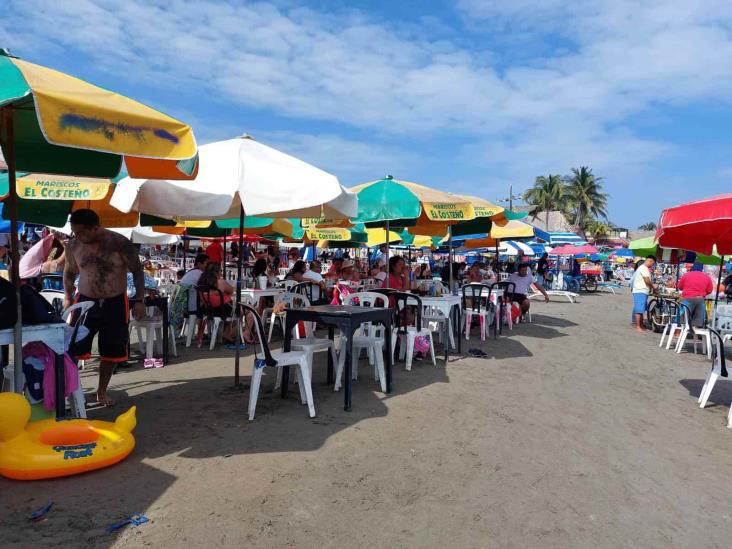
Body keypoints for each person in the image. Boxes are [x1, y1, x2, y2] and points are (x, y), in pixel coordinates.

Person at [64, 209, 146, 407]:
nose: (77, 236)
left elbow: (137, 271)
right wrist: (67, 296)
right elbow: (69, 272)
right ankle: (73, 392)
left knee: (111, 351)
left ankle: (101, 391)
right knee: (73, 348)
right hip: (85, 301)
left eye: (81, 232)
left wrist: (139, 300)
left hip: (114, 301)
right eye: (74, 232)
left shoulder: (118, 243)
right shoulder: (73, 245)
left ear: (95, 227)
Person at [198, 262, 240, 345]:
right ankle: (228, 332)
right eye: (220, 271)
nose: (221, 272)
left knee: (235, 309)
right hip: (223, 310)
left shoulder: (201, 283)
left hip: (208, 310)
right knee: (241, 311)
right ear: (216, 272)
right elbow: (231, 290)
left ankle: (225, 333)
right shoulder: (221, 282)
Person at [677, 262, 713, 328]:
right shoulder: (707, 277)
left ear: (693, 268)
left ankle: (678, 333)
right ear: (702, 269)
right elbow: (709, 290)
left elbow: (680, 287)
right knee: (697, 321)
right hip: (700, 300)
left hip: (687, 299)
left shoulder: (686, 275)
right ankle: (695, 336)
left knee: (683, 318)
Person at [631, 255, 656, 332]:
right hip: (640, 290)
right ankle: (638, 326)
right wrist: (653, 286)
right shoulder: (644, 268)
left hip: (641, 291)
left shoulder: (642, 268)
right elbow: (647, 280)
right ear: (650, 261)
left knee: (642, 309)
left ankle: (641, 325)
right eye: (653, 263)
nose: (652, 265)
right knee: (639, 309)